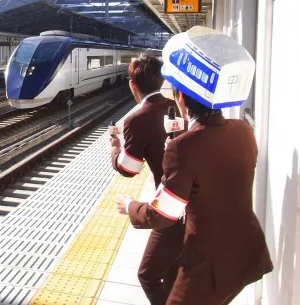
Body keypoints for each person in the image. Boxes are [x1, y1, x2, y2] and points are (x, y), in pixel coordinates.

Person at [116, 27, 273, 304]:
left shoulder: (183, 147)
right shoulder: (243, 130)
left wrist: (130, 206)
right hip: (247, 254)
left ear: (180, 97)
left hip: (208, 268)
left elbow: (163, 215)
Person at [109, 55, 184, 305]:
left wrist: (115, 148)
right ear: (160, 80)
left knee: (148, 274)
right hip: (191, 199)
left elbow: (129, 169)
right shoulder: (176, 105)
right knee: (172, 268)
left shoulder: (136, 119)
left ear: (133, 85)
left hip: (170, 205)